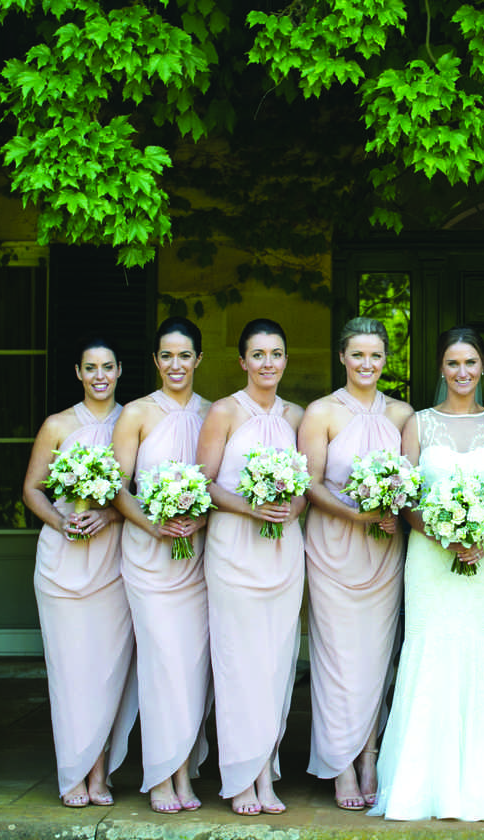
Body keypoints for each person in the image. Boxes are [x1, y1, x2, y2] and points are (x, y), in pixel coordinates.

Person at [370, 326, 484, 822]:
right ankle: (417, 786)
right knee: (427, 651)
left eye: (470, 363)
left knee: (476, 652)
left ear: (482, 368)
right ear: (440, 369)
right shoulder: (418, 422)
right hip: (430, 557)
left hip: (483, 558)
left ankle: (476, 787)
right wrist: (440, 534)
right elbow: (405, 495)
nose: (462, 372)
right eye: (453, 363)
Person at [298, 317, 414, 811]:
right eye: (357, 355)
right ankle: (342, 764)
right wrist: (355, 512)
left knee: (376, 658)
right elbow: (311, 484)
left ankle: (369, 757)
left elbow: (410, 484)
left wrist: (390, 511)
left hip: (384, 551)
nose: (367, 364)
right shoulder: (320, 412)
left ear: (386, 360)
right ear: (343, 358)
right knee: (337, 659)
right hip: (332, 549)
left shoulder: (404, 415)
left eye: (376, 356)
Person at [197, 319, 306, 816]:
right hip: (234, 549)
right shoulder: (223, 411)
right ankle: (240, 775)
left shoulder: (297, 415)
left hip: (284, 550)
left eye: (276, 354)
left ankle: (267, 772)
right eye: (258, 355)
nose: (268, 363)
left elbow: (306, 486)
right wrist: (250, 506)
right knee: (239, 662)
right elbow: (205, 484)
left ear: (286, 360)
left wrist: (289, 509)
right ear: (242, 362)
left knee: (277, 663)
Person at [23, 337, 137, 808]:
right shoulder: (58, 424)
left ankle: (99, 772)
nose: (99, 376)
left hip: (112, 558)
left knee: (109, 669)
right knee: (71, 672)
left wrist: (109, 516)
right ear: (77, 373)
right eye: (90, 368)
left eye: (107, 367)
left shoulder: (132, 422)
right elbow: (31, 490)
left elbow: (137, 493)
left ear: (120, 370)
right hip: (63, 560)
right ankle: (72, 770)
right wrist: (61, 520)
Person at [111, 316, 213, 815]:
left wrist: (199, 517)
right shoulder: (135, 413)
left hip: (195, 559)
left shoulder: (214, 412)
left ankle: (184, 770)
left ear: (199, 359)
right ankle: (160, 775)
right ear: (156, 361)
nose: (176, 364)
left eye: (185, 355)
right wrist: (152, 525)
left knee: (192, 667)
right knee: (160, 664)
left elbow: (219, 484)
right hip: (149, 557)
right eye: (166, 355)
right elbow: (116, 487)